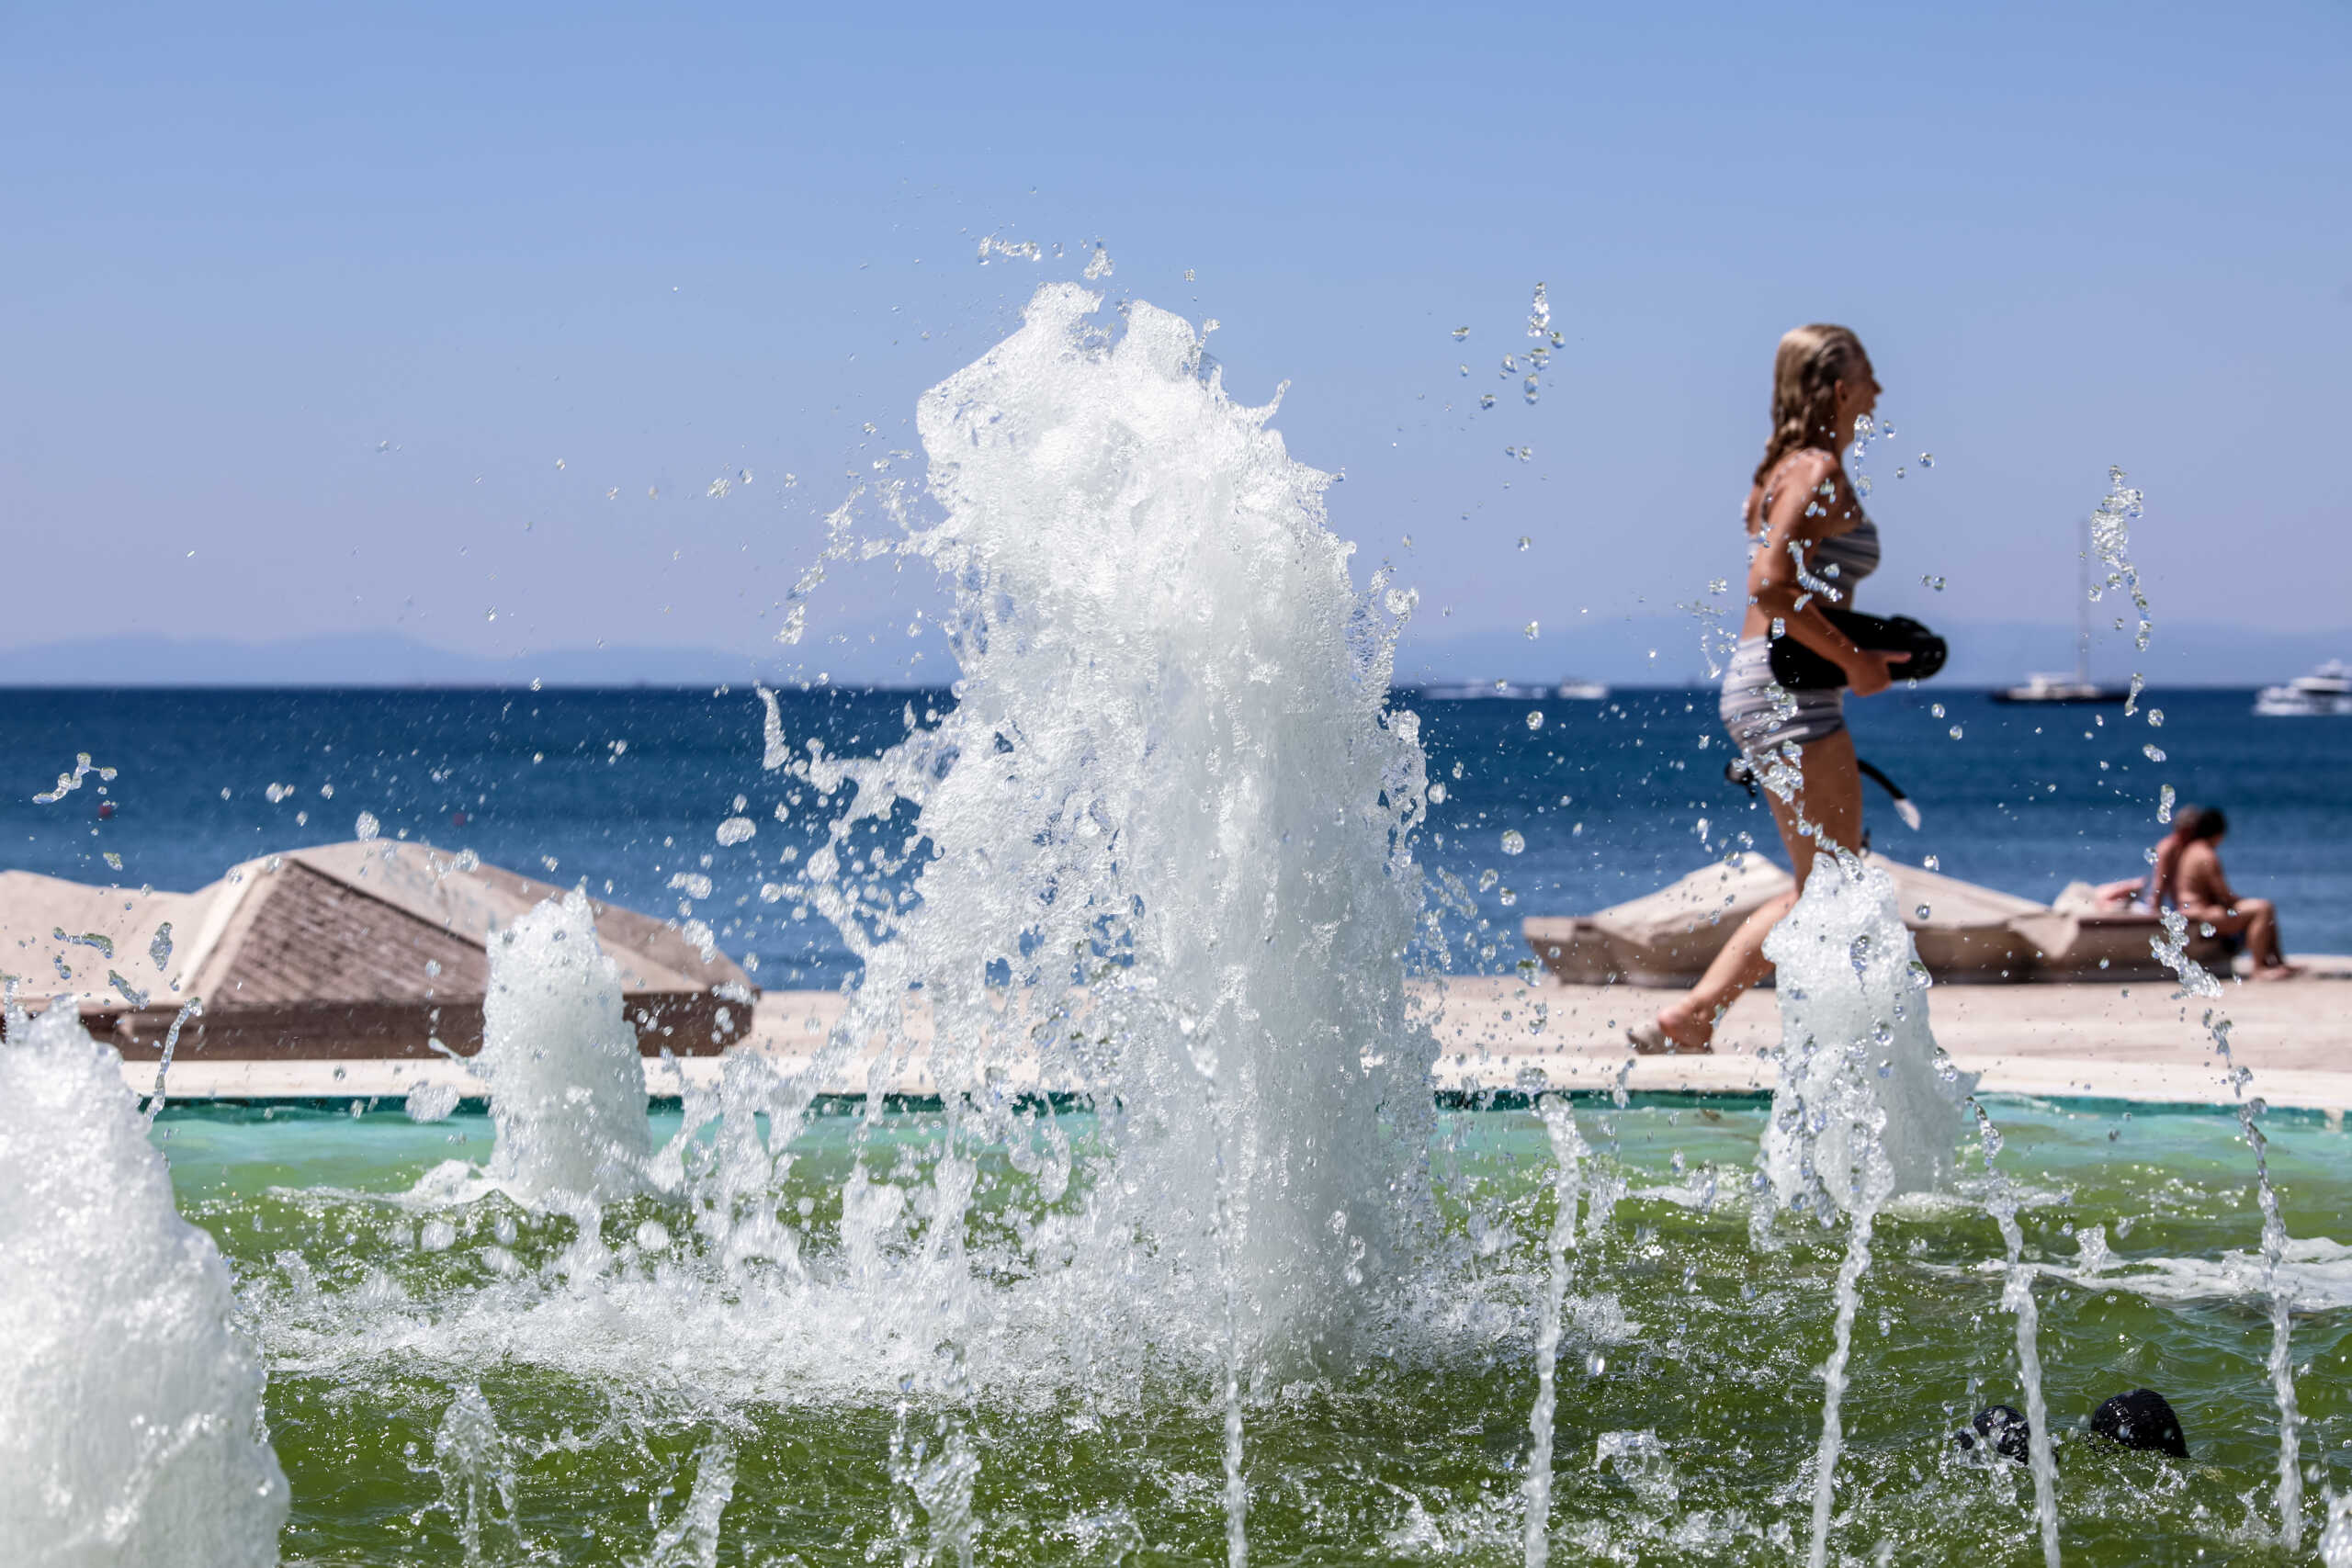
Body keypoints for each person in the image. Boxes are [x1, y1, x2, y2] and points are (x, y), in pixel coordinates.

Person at [1633, 324, 1910, 1054]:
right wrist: (1854, 660)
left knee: (1826, 884)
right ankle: (1743, 1021)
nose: (1881, 389)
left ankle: (1700, 1015)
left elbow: (1793, 590)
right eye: (1870, 374)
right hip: (1787, 688)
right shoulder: (1815, 467)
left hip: (1770, 681)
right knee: (1837, 885)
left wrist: (1858, 647)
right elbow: (1773, 585)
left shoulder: (1785, 468)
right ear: (1842, 390)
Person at [2172, 806, 2300, 979]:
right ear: (2218, 833)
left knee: (2260, 907)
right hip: (2202, 915)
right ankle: (2260, 967)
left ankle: (2276, 962)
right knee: (2263, 908)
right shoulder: (2207, 855)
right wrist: (2241, 901)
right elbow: (2224, 896)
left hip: (2187, 912)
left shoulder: (2189, 851)